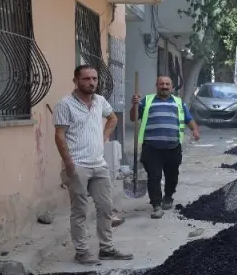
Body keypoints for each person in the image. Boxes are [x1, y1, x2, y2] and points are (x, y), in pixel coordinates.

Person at [52, 65, 133, 264]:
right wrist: (69, 164)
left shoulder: (100, 101)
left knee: (106, 208)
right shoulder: (65, 104)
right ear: (76, 81)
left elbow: (112, 118)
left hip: (99, 164)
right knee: (79, 210)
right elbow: (59, 136)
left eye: (94, 79)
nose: (92, 83)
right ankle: (81, 252)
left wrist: (104, 136)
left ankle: (106, 248)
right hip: (77, 165)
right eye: (87, 79)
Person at [131, 76, 202, 219]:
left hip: (173, 147)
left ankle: (168, 196)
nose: (164, 86)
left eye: (167, 84)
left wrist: (194, 130)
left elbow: (188, 119)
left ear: (172, 86)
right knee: (154, 176)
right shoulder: (147, 100)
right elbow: (133, 118)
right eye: (161, 84)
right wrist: (134, 105)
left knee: (172, 176)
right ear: (156, 85)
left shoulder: (178, 102)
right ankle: (156, 205)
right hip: (151, 147)